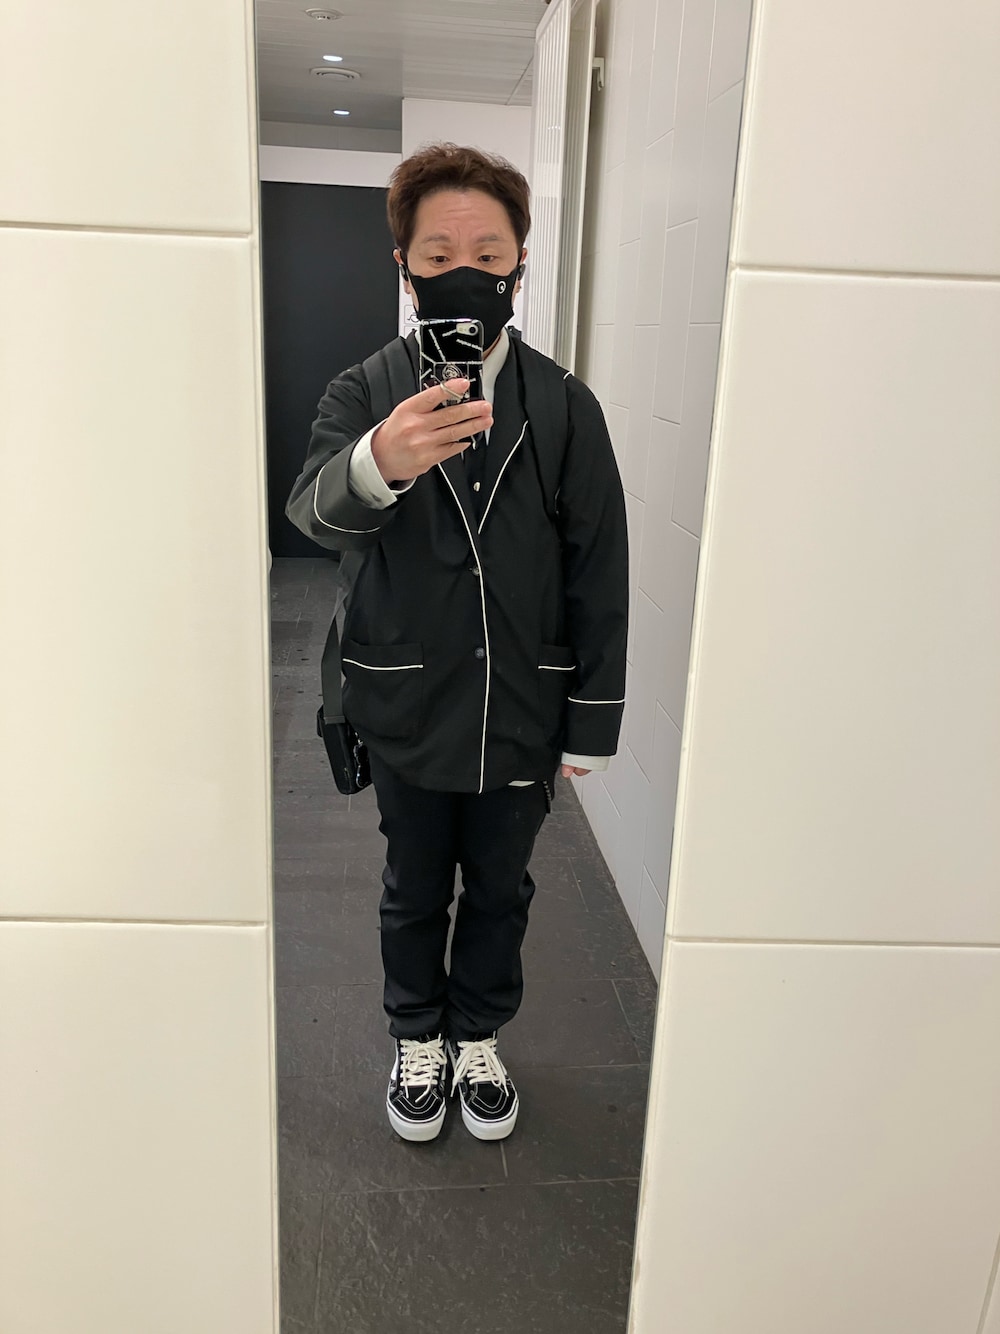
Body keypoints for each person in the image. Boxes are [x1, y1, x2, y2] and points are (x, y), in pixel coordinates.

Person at [286, 143, 627, 1144]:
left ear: (520, 263)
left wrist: (593, 717)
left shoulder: (564, 406)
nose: (463, 272)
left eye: (487, 253)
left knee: (502, 887)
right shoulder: (364, 391)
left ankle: (477, 1033)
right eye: (438, 255)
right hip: (406, 696)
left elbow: (599, 566)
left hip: (522, 700)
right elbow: (313, 517)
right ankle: (416, 1037)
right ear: (404, 267)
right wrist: (379, 461)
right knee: (412, 885)